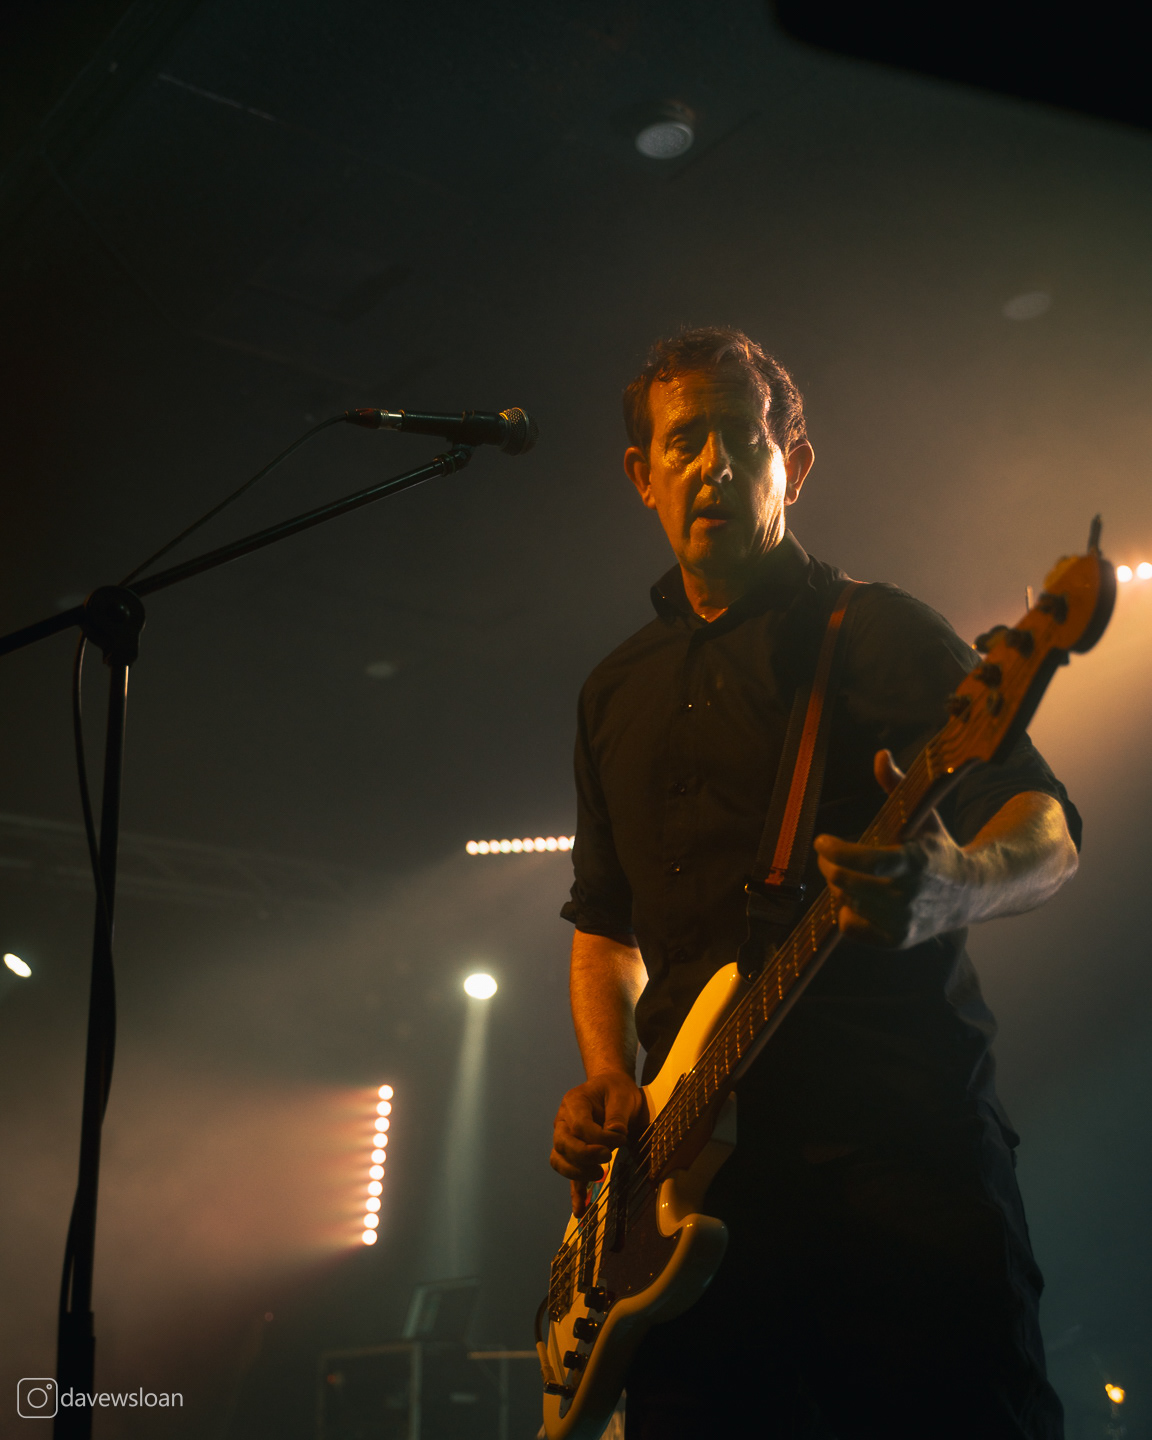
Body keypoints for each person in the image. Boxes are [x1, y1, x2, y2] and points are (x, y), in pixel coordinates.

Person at [549, 328, 1080, 1439]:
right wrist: (605, 1074)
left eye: (741, 440)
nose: (713, 464)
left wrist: (955, 888)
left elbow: (1044, 823)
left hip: (896, 1168)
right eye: (684, 441)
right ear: (642, 473)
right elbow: (603, 926)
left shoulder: (879, 632)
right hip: (686, 1195)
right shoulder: (611, 691)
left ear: (792, 462)